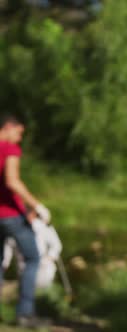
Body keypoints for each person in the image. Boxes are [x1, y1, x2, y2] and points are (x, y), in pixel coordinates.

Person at [0, 114, 51, 328]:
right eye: (19, 132)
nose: (19, 138)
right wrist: (36, 205)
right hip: (10, 215)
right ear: (9, 127)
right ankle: (25, 313)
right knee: (32, 258)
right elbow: (12, 181)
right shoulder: (10, 149)